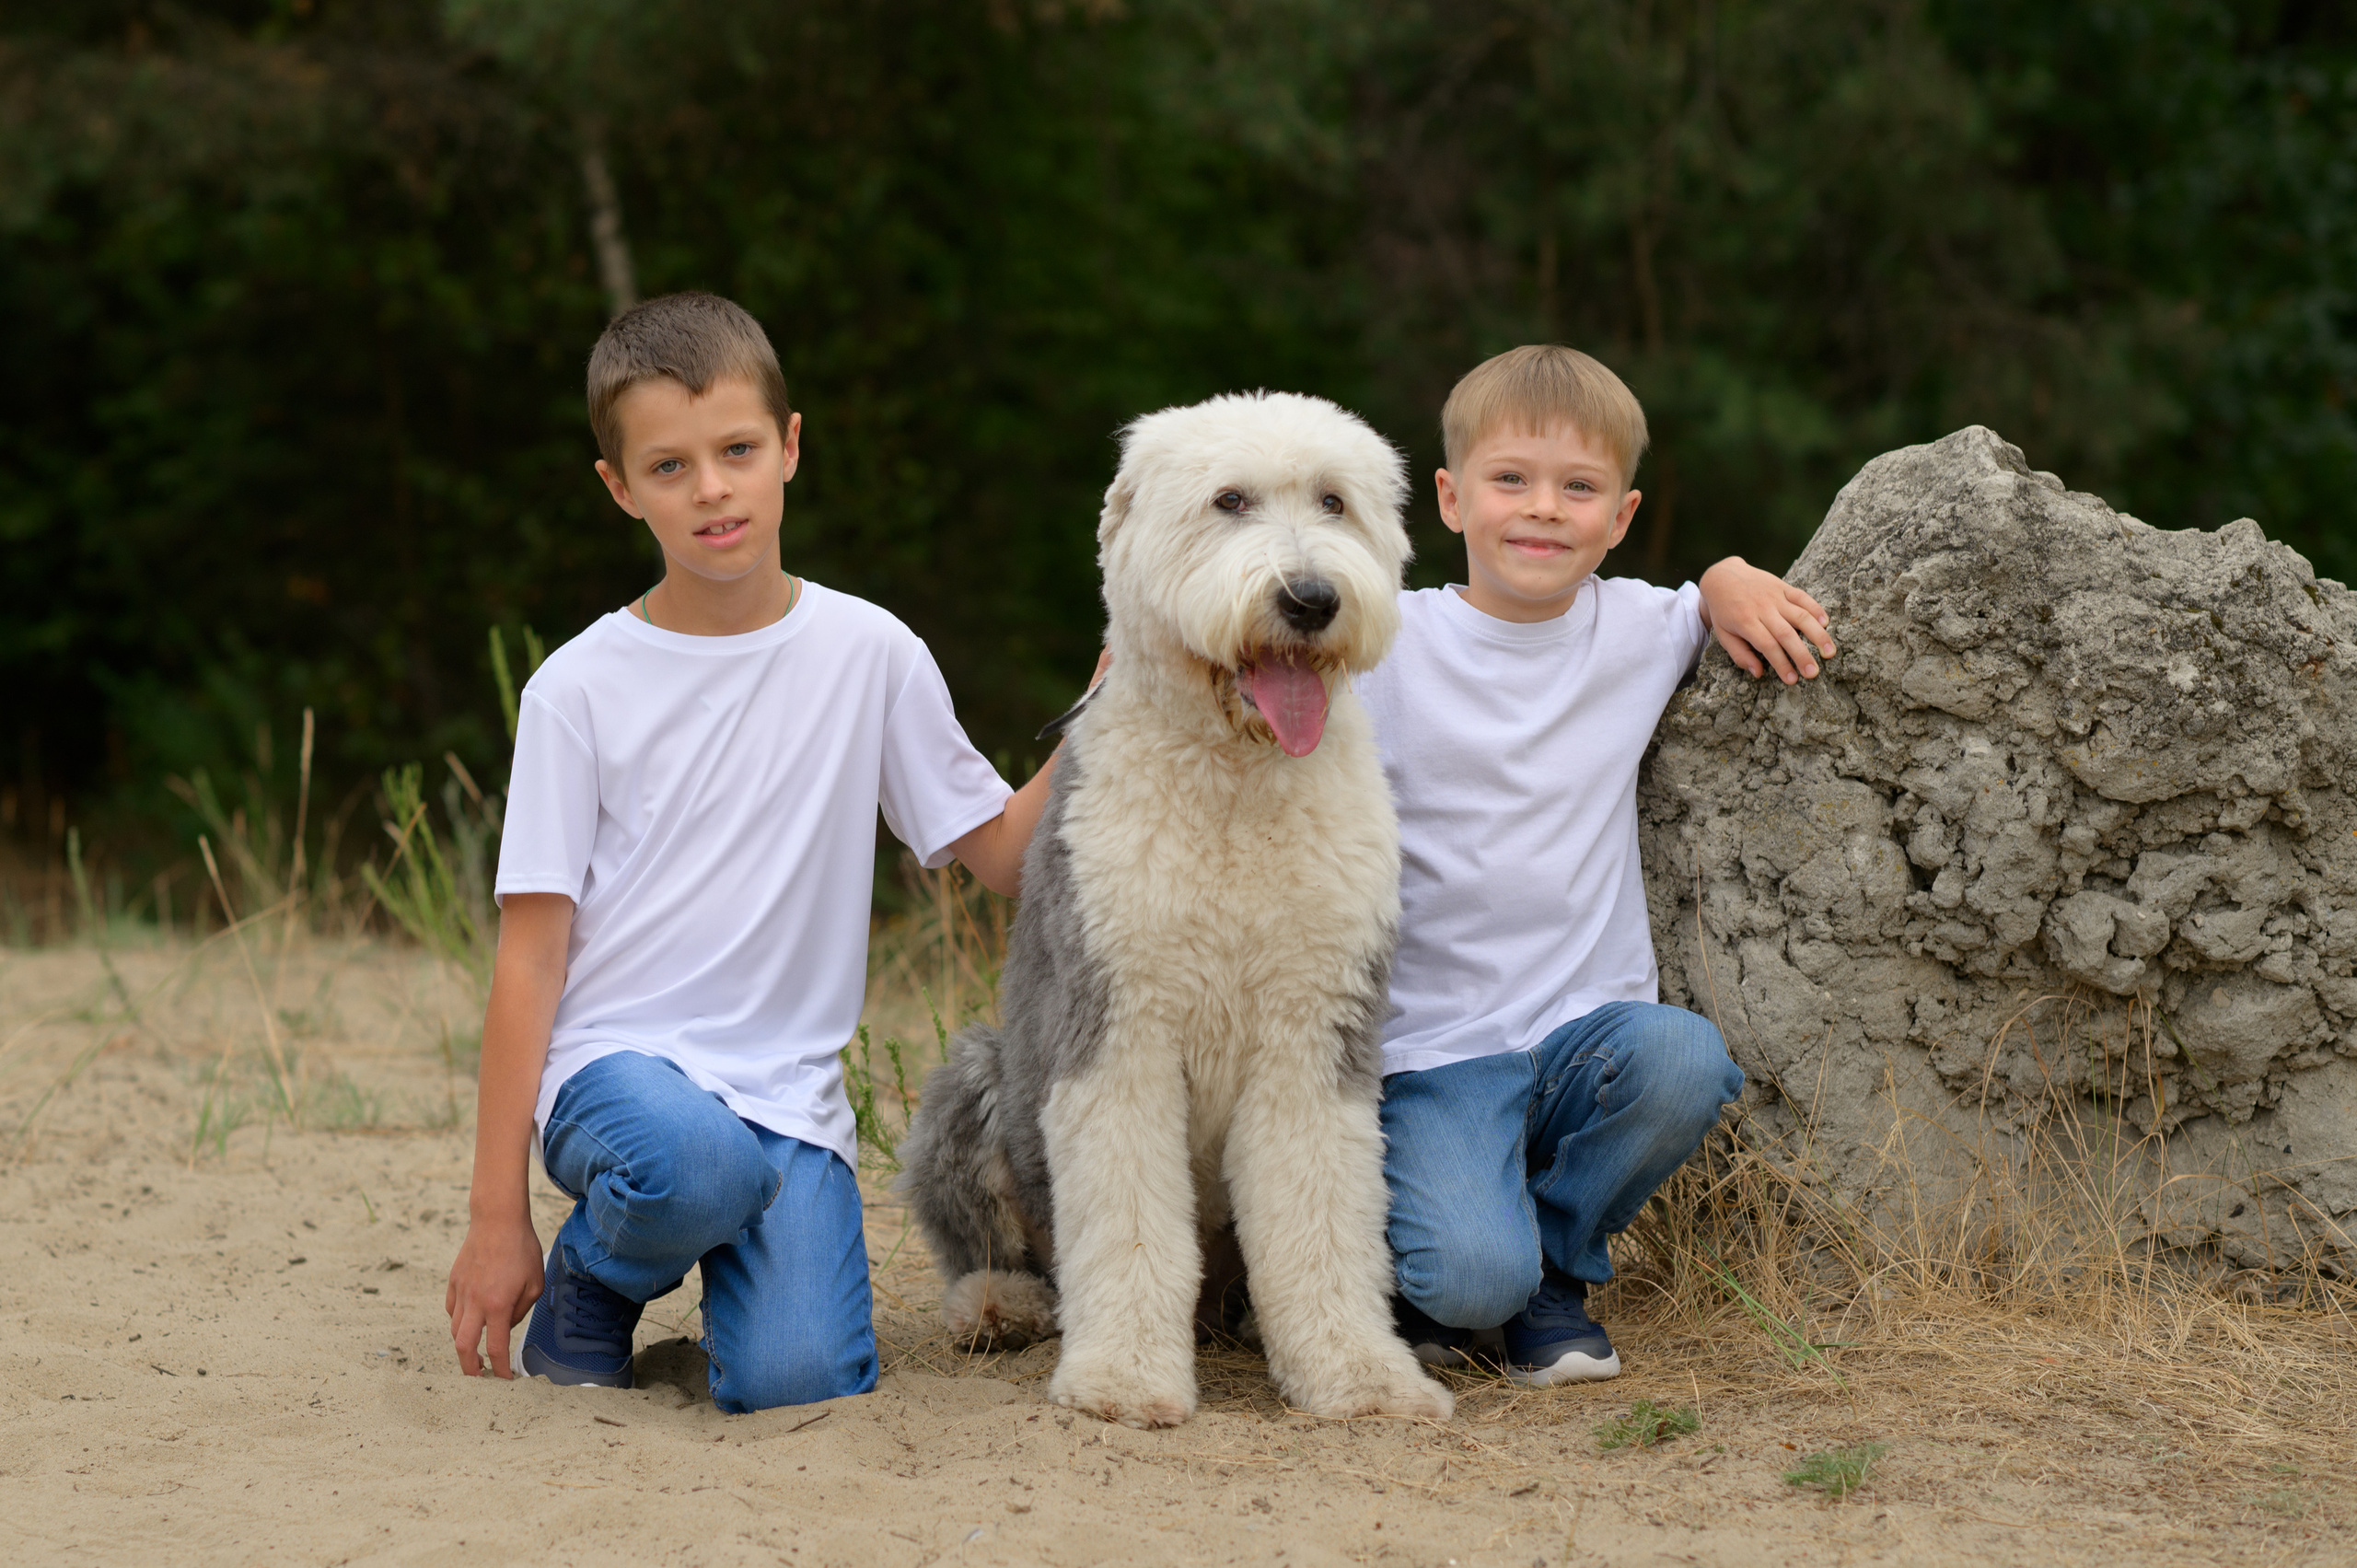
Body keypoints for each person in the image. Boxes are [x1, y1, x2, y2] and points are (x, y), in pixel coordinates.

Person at [444, 291, 1069, 1411]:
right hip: (617, 1074)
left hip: (787, 1098)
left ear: (788, 446)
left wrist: (1115, 704)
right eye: (669, 466)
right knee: (693, 1164)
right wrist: (500, 1217)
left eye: (735, 450)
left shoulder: (869, 652)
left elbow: (1007, 857)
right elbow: (529, 961)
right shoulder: (577, 689)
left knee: (800, 1378)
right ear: (620, 488)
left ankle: (715, 1259)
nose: (711, 488)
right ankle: (593, 1280)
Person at [1359, 343, 1836, 1386]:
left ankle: (1554, 1274)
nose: (1542, 510)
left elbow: (1708, 595)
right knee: (1465, 1280)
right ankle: (1448, 1270)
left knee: (1686, 1059)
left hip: (1586, 1032)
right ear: (1448, 498)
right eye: (1510, 480)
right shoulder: (1389, 641)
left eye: (1578, 488)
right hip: (1434, 1048)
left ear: (1618, 517)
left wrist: (1728, 575)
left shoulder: (1634, 628)